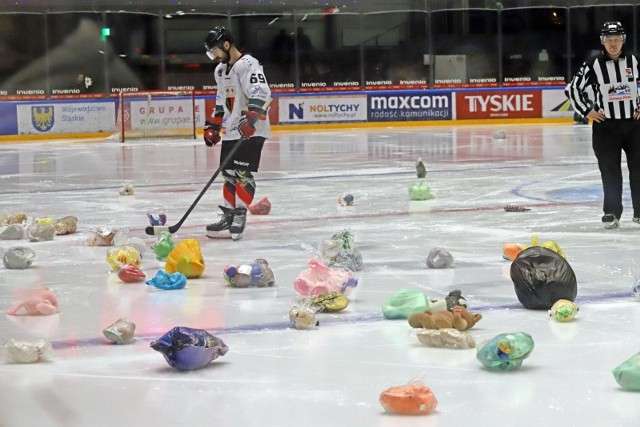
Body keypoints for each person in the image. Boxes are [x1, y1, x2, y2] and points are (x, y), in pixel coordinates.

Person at [566, 21, 640, 229]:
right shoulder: (593, 64)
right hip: (606, 128)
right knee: (610, 171)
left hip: (634, 126)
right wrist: (587, 111)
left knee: (639, 169)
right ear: (603, 42)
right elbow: (572, 89)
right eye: (609, 40)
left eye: (616, 39)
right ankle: (611, 212)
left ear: (623, 40)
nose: (613, 44)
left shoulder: (634, 60)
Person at [203, 26, 271, 240]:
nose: (213, 56)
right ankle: (229, 215)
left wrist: (251, 118)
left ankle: (240, 215)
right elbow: (220, 101)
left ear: (226, 44)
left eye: (215, 50)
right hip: (233, 130)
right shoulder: (221, 71)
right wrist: (214, 125)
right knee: (228, 174)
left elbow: (262, 92)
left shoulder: (248, 64)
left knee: (243, 173)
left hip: (252, 129)